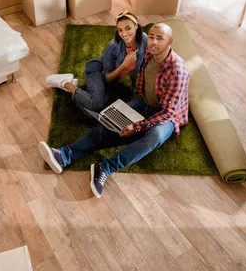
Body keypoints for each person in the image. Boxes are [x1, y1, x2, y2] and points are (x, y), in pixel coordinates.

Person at [38, 23, 190, 198]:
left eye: (160, 38)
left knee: (154, 136)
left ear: (170, 41)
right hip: (144, 102)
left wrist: (137, 126)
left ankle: (107, 167)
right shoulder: (149, 54)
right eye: (152, 37)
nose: (154, 42)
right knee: (109, 121)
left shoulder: (178, 70)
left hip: (167, 115)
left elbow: (168, 113)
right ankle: (65, 154)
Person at [45, 11, 148, 115]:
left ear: (136, 26)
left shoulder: (144, 39)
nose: (124, 34)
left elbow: (145, 61)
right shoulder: (112, 46)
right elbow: (107, 78)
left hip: (113, 81)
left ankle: (77, 89)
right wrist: (124, 64)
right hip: (96, 72)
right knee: (95, 105)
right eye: (120, 30)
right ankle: (65, 83)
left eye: (128, 28)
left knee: (92, 113)